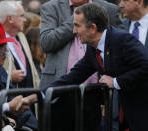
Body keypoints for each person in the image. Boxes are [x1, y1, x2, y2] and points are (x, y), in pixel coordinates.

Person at [45, 3, 148, 131]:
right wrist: (40, 95)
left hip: (142, 111)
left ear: (93, 28)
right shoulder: (93, 49)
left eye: (77, 26)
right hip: (124, 114)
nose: (74, 31)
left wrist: (116, 82)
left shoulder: (121, 39)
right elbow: (73, 77)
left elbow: (145, 66)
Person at [0, 1, 40, 130]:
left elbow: (30, 67)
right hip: (12, 103)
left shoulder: (20, 36)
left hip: (29, 97)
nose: (25, 19)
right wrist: (9, 75)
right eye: (22, 15)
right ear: (10, 18)